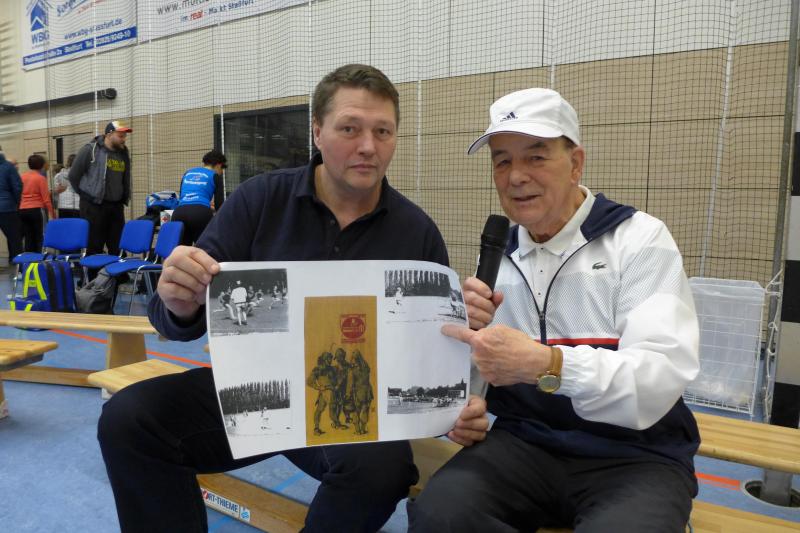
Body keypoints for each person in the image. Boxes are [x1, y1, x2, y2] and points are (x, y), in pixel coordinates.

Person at [96, 64, 489, 533]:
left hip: (349, 409)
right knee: (129, 420)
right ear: (317, 131)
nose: (368, 146)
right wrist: (180, 303)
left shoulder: (417, 233)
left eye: (383, 131)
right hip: (253, 391)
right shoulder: (258, 201)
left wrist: (457, 401)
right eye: (350, 128)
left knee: (381, 469)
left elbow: (431, 356)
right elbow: (176, 318)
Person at [408, 88, 701, 532]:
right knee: (439, 516)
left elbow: (658, 376)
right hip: (523, 445)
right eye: (502, 161)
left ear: (576, 163)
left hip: (635, 456)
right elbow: (485, 374)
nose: (516, 176)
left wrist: (550, 365)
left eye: (536, 157)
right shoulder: (498, 257)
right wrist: (465, 403)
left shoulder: (639, 239)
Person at [68, 120, 132, 255]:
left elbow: (125, 178)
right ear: (109, 135)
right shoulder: (90, 150)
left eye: (125, 136)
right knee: (94, 246)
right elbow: (73, 176)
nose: (124, 139)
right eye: (120, 136)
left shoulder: (123, 153)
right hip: (94, 207)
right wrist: (86, 196)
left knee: (118, 247)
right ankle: (94, 269)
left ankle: (118, 269)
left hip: (116, 207)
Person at [171, 149, 227, 245]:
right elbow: (219, 206)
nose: (221, 172)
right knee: (204, 248)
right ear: (218, 165)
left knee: (183, 250)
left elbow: (183, 197)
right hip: (200, 214)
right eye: (222, 169)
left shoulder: (187, 173)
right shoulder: (215, 176)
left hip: (179, 212)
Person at [18, 154, 55, 253]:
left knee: (28, 236)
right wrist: (53, 214)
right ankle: (39, 258)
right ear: (42, 165)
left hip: (22, 210)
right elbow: (46, 199)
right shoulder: (40, 179)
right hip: (36, 210)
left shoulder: (22, 177)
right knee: (39, 236)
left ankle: (29, 259)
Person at [0, 147, 22, 265]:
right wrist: (16, 203)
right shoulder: (8, 167)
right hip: (7, 207)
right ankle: (18, 266)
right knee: (14, 238)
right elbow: (17, 187)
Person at [54, 154, 80, 218]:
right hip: (76, 205)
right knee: (76, 224)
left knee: (64, 224)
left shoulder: (59, 175)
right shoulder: (80, 175)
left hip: (62, 205)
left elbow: (57, 190)